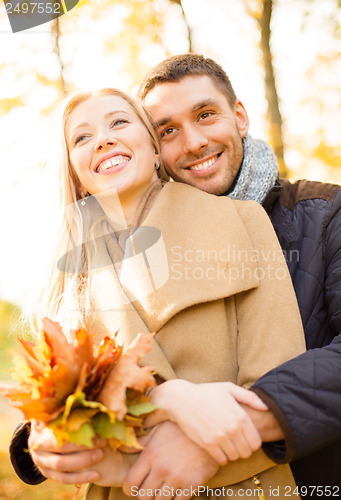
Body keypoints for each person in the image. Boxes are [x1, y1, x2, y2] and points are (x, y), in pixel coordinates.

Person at [8, 87, 306, 499]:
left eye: (119, 122)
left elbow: (276, 394)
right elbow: (72, 428)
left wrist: (126, 465)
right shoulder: (68, 281)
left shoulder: (241, 220)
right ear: (75, 176)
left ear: (153, 149)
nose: (103, 139)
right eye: (81, 137)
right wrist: (165, 399)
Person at [128, 53, 341, 495]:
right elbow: (104, 349)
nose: (192, 143)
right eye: (168, 130)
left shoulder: (325, 213)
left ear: (239, 116)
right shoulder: (141, 248)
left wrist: (217, 436)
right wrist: (41, 434)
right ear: (154, 151)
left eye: (205, 115)